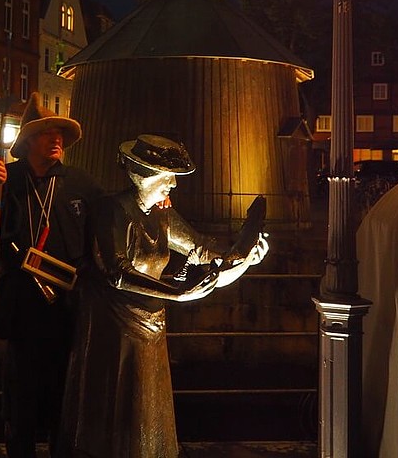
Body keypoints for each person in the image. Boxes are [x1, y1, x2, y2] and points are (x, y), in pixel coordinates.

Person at [59, 134, 269, 458]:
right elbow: (116, 271)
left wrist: (242, 257)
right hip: (114, 332)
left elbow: (200, 249)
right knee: (113, 414)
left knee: (147, 412)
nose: (172, 185)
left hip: (151, 328)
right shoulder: (110, 210)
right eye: (166, 176)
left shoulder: (163, 216)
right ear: (141, 174)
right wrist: (177, 294)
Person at [0, 92, 102, 458]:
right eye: (45, 133)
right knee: (20, 398)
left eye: (59, 134)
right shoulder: (7, 179)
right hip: (23, 306)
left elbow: (113, 222)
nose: (55, 140)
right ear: (27, 141)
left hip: (68, 308)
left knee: (64, 396)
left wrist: (156, 205)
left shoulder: (80, 184)